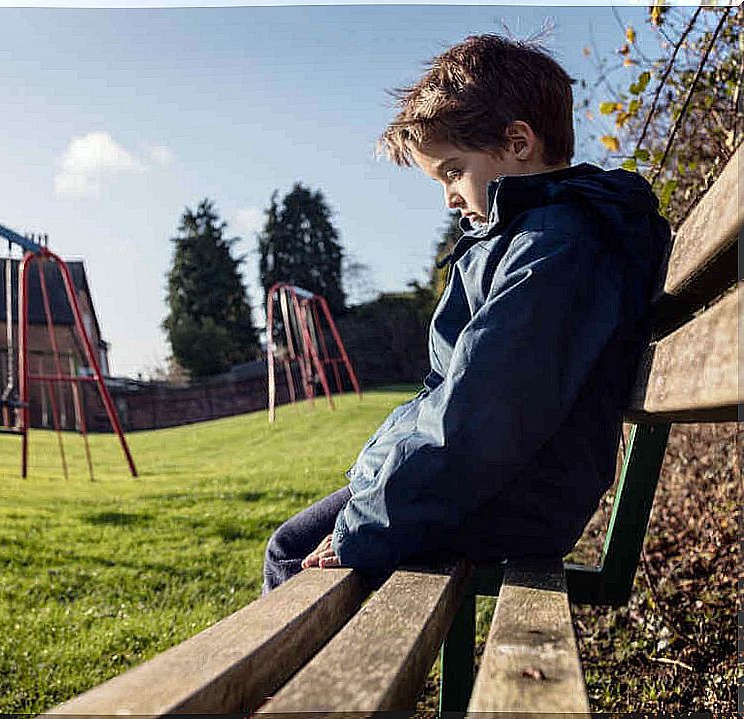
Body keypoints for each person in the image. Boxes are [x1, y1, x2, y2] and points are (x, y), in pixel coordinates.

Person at [262, 34, 671, 595]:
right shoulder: (528, 237)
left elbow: (485, 410)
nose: (450, 198)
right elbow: (457, 396)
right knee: (300, 542)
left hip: (511, 493)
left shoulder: (558, 245)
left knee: (293, 554)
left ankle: (326, 688)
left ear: (519, 142)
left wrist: (366, 524)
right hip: (494, 482)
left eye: (453, 172)